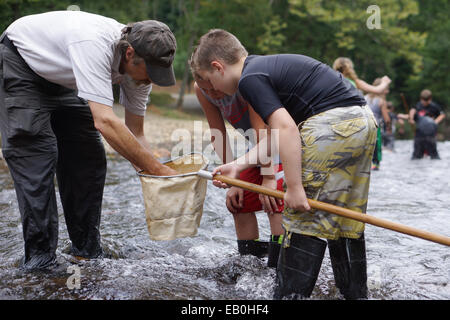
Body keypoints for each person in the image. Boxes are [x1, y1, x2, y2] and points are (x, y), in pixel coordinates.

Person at [190, 29, 377, 299]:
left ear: (218, 67)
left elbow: (287, 129)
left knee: (300, 220)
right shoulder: (263, 67)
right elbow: (278, 135)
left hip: (331, 126)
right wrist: (238, 165)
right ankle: (355, 294)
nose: (214, 91)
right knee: (345, 219)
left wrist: (295, 187)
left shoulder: (248, 79)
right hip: (363, 123)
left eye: (210, 81)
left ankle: (289, 295)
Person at [0, 11, 178, 271]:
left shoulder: (140, 71)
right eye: (149, 72)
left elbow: (135, 133)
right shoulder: (94, 44)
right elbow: (105, 121)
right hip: (22, 62)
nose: (151, 80)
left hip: (65, 74)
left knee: (88, 156)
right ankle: (40, 261)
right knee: (38, 155)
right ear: (129, 54)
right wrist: (158, 169)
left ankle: (86, 251)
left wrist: (154, 180)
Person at [192, 75, 284, 267]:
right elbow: (218, 133)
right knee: (238, 203)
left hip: (283, 143)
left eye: (214, 88)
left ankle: (280, 264)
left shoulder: (247, 82)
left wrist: (268, 178)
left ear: (219, 71)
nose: (212, 95)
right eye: (206, 90)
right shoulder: (200, 89)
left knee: (274, 202)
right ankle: (249, 265)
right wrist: (232, 182)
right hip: (258, 150)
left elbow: (262, 131)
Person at [409, 89, 445, 160]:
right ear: (421, 99)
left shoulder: (434, 106)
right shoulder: (418, 105)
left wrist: (435, 122)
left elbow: (442, 115)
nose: (424, 102)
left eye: (426, 100)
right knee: (416, 156)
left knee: (434, 156)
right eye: (423, 100)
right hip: (419, 132)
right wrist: (411, 118)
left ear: (430, 99)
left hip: (431, 132)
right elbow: (412, 110)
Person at [365, 78, 391, 170]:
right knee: (376, 146)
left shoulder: (365, 97)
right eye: (386, 89)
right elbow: (387, 119)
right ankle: (375, 164)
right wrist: (389, 128)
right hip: (376, 126)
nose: (387, 91)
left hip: (364, 125)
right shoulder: (381, 101)